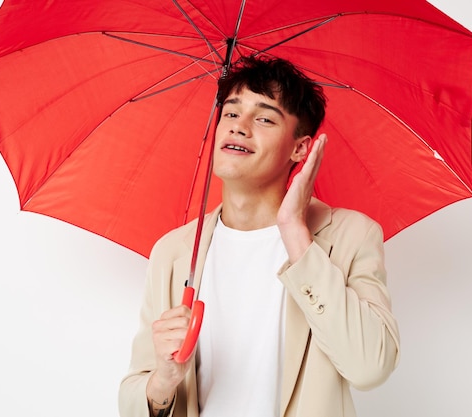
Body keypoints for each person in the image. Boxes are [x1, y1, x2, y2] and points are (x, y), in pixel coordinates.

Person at [118, 56, 400, 417]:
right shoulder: (174, 252)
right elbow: (132, 398)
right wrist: (163, 379)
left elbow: (370, 367)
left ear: (300, 148)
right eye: (231, 113)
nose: (239, 126)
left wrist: (295, 233)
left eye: (264, 118)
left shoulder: (351, 236)